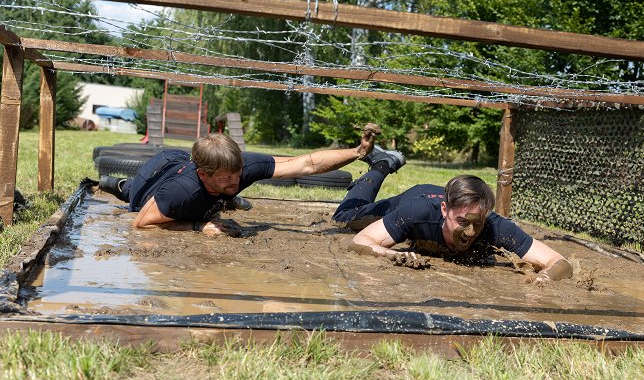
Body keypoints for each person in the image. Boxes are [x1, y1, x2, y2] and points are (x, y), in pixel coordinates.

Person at [332, 149, 573, 286]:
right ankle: (382, 165)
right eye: (463, 223)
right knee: (345, 218)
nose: (470, 232)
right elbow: (360, 242)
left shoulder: (494, 226)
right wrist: (392, 254)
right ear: (445, 211)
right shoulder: (417, 213)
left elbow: (559, 261)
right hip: (412, 198)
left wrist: (545, 277)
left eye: (476, 224)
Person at [99, 123, 381, 236]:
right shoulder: (179, 192)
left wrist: (357, 152)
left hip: (191, 167)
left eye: (238, 174)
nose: (236, 180)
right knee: (129, 192)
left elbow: (305, 164)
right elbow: (140, 223)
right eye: (227, 178)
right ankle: (111, 182)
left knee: (225, 197)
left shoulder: (240, 168)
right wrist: (199, 225)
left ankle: (223, 202)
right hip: (157, 172)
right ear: (204, 174)